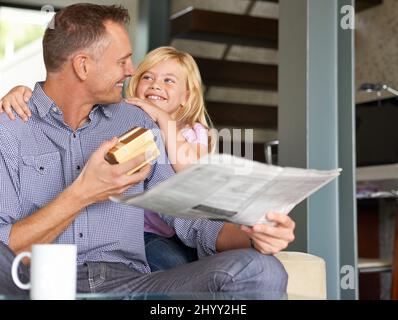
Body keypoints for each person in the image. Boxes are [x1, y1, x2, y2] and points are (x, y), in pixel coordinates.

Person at [0, 3, 295, 298]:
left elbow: (189, 220)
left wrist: (252, 234)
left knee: (261, 271)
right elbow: (5, 246)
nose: (131, 71)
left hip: (130, 286)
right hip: (38, 284)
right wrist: (84, 192)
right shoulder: (10, 128)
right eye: (122, 61)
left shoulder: (135, 120)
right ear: (83, 65)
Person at [0, 46, 214, 271]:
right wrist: (19, 91)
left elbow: (193, 171)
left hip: (167, 232)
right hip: (131, 232)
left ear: (186, 97)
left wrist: (162, 119)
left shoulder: (192, 132)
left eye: (169, 81)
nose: (156, 85)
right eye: (147, 77)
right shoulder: (122, 118)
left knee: (174, 265)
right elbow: (57, 98)